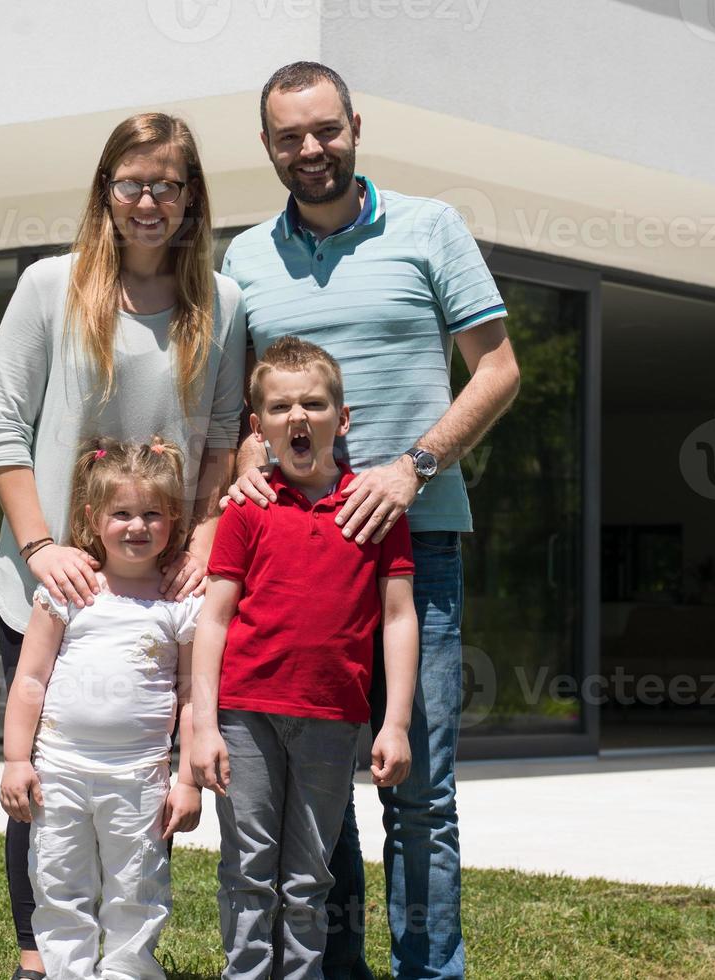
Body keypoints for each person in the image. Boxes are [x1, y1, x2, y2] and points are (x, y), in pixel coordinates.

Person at [219, 63, 521, 980]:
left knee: (418, 792)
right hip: (291, 561)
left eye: (324, 130)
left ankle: (430, 971)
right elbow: (242, 410)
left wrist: (411, 467)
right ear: (267, 146)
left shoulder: (430, 228)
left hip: (411, 549)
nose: (309, 150)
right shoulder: (244, 259)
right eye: (287, 137)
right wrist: (243, 468)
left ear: (355, 126)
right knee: (318, 794)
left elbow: (499, 370)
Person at [0, 112, 246, 980]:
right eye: (130, 183)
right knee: (47, 788)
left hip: (158, 591)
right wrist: (42, 545)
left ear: (191, 197)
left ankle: (131, 960)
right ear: (105, 191)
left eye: (167, 185)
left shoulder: (223, 301)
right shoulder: (48, 287)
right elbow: (2, 431)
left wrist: (204, 538)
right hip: (52, 582)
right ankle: (39, 961)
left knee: (140, 779)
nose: (147, 202)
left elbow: (221, 438)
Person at [190, 337, 420, 979]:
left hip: (330, 718)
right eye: (280, 406)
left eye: (314, 405)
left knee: (309, 874)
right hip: (245, 716)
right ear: (257, 424)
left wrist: (394, 723)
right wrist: (203, 724)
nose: (298, 418)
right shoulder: (248, 508)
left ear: (340, 420)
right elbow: (214, 618)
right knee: (249, 868)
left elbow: (399, 619)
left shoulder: (374, 511)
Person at [0, 437, 204, 980]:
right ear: (93, 517)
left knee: (135, 889)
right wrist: (17, 760)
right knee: (59, 884)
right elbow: (30, 680)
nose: (137, 526)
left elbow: (192, 695)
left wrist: (187, 780)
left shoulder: (179, 602)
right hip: (60, 771)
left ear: (173, 519)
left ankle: (127, 972)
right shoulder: (69, 592)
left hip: (140, 778)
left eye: (152, 514)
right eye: (122, 513)